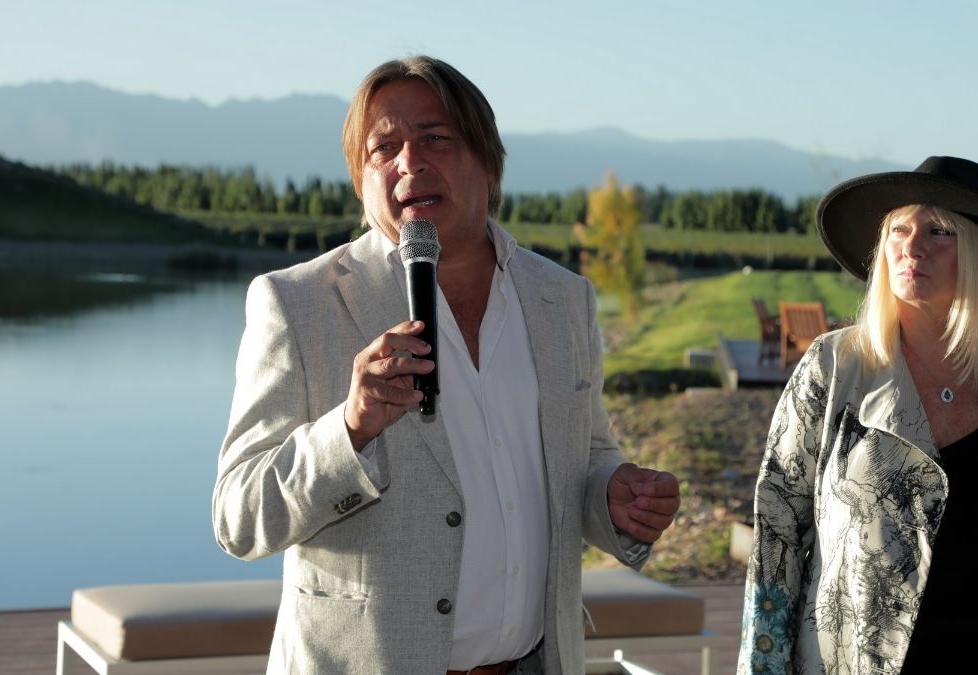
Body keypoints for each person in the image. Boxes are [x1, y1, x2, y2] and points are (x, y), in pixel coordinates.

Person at [211, 55, 680, 675]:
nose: (410, 161)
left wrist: (614, 496)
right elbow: (238, 518)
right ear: (361, 180)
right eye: (384, 147)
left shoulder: (562, 298)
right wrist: (348, 429)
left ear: (489, 162)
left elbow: (586, 457)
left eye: (436, 137)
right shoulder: (297, 304)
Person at [738, 156, 978, 674]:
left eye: (939, 231)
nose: (912, 247)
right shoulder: (834, 366)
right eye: (899, 230)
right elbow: (777, 528)